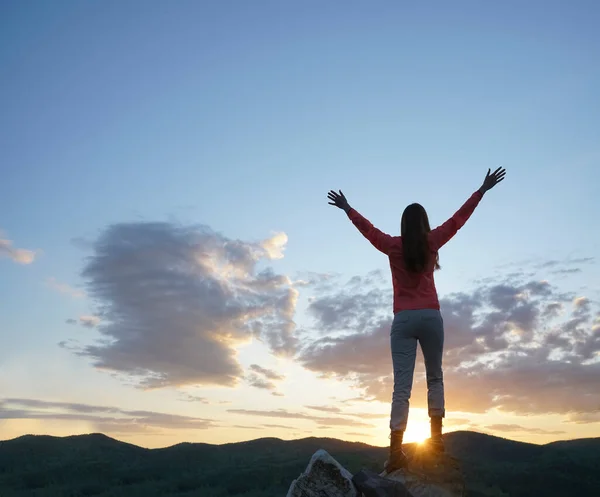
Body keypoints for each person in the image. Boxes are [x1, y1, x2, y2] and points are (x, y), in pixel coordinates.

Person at [326, 167, 506, 472]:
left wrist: (347, 209)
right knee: (435, 377)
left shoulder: (393, 246)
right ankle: (435, 443)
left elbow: (369, 231)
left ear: (403, 224)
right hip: (431, 317)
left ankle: (396, 450)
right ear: (423, 223)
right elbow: (458, 220)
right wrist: (482, 190)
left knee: (402, 387)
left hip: (404, 320)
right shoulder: (432, 241)